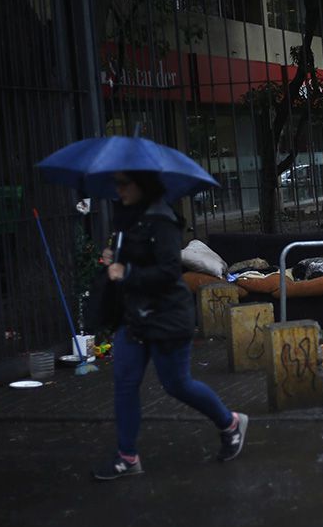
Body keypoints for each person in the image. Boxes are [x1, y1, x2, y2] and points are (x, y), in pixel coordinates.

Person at [92, 170, 248, 480]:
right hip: (134, 317)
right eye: (117, 183)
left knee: (176, 384)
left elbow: (167, 272)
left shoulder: (161, 221)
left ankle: (230, 423)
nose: (119, 189)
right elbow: (127, 259)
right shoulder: (125, 218)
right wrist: (112, 258)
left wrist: (126, 272)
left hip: (166, 317)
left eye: (125, 183)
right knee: (125, 384)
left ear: (143, 184)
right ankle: (127, 456)